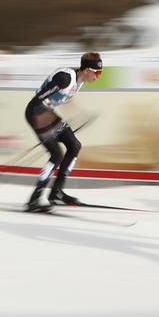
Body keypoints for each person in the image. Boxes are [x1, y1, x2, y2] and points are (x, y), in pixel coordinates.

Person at [24, 52, 103, 212]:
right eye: (98, 73)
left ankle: (56, 193)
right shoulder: (64, 79)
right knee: (57, 155)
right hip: (37, 113)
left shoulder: (79, 80)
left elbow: (64, 97)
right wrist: (44, 129)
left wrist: (78, 114)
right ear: (87, 70)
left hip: (48, 114)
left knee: (74, 145)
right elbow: (38, 99)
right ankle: (34, 199)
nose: (98, 77)